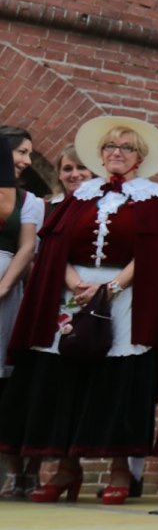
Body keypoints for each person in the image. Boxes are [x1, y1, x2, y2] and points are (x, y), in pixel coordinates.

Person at [0, 115, 158, 504]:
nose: (116, 153)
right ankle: (66, 468)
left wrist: (112, 286)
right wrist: (75, 283)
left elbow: (153, 252)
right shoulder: (82, 193)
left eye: (125, 147)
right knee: (64, 371)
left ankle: (120, 467)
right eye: (110, 147)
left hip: (125, 294)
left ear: (140, 157)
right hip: (75, 290)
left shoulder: (152, 197)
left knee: (117, 376)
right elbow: (54, 246)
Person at [0, 128, 44, 497]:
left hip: (5, 286)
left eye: (30, 154)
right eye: (20, 152)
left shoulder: (30, 201)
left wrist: (4, 286)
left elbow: (27, 246)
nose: (27, 162)